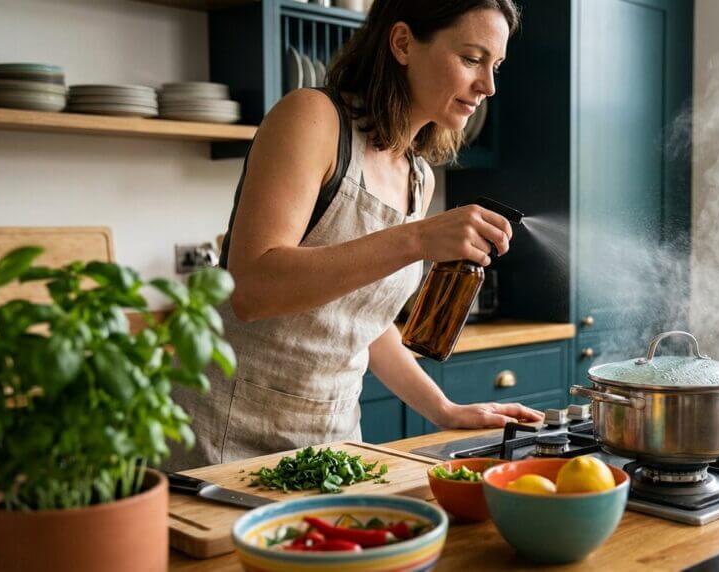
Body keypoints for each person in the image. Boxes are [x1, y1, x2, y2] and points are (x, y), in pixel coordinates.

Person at [169, 0, 541, 470]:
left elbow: (363, 320)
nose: (488, 85)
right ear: (403, 43)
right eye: (471, 59)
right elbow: (251, 289)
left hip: (333, 442)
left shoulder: (418, 178)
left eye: (495, 66)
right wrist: (417, 239)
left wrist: (444, 409)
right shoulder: (312, 118)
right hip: (226, 433)